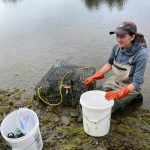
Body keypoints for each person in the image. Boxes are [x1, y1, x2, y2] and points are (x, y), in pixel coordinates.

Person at [84, 21, 148, 112]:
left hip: (130, 86)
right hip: (116, 80)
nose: (118, 39)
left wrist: (118, 94)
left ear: (132, 37)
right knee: (96, 95)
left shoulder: (141, 54)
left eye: (122, 36)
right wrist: (94, 76)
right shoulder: (116, 47)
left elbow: (137, 82)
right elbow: (109, 64)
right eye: (117, 36)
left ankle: (135, 97)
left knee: (107, 107)